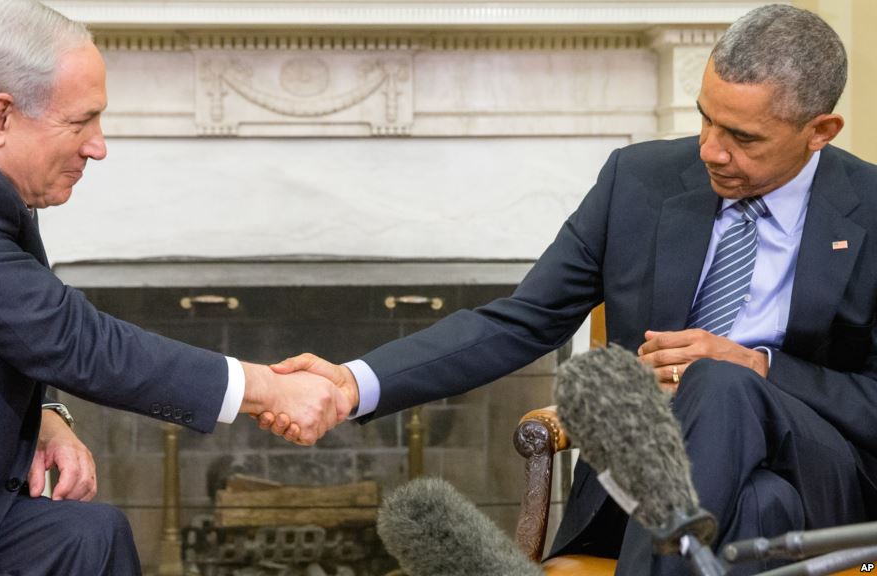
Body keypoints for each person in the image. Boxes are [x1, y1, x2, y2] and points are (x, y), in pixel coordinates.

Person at [262, 5, 877, 575]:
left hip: (820, 476)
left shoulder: (869, 211)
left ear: (820, 130)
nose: (710, 150)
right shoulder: (639, 181)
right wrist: (353, 381)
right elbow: (520, 321)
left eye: (742, 137)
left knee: (721, 384)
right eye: (704, 118)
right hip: (663, 485)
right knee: (758, 507)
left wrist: (758, 367)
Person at [0, 1, 349, 574]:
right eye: (80, 121)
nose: (98, 145)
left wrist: (47, 415)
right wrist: (264, 388)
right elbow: (68, 337)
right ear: (0, 118)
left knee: (93, 534)